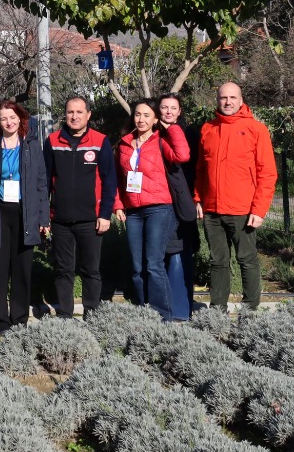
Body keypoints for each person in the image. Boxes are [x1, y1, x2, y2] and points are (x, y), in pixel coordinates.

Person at [194, 81, 278, 313]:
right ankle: (217, 312)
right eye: (223, 98)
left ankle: (249, 311)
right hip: (212, 210)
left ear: (241, 100)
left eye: (232, 98)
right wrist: (198, 198)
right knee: (217, 261)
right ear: (217, 100)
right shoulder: (208, 129)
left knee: (247, 260)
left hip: (243, 210)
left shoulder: (256, 129)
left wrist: (259, 210)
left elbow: (267, 173)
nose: (228, 102)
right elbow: (201, 169)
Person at [0, 100, 47, 335]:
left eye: (12, 117)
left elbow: (41, 183)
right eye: (4, 118)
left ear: (20, 118)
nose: (9, 122)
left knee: (22, 270)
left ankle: (20, 320)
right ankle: (0, 321)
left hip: (25, 214)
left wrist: (43, 218)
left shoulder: (32, 145)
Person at [111, 99, 191, 322]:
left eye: (147, 115)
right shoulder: (125, 144)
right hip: (133, 212)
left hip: (159, 208)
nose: (141, 119)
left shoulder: (161, 141)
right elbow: (117, 178)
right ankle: (144, 310)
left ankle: (162, 315)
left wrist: (171, 128)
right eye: (138, 114)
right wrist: (118, 204)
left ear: (155, 119)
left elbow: (182, 155)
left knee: (154, 264)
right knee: (137, 266)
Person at [43, 95, 116, 319]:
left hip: (91, 219)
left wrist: (105, 214)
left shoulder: (100, 141)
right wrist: (44, 216)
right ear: (65, 115)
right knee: (63, 269)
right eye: (70, 112)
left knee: (90, 270)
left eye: (79, 112)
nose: (74, 117)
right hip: (60, 219)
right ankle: (65, 315)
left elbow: (109, 181)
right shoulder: (52, 141)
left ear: (88, 115)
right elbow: (44, 181)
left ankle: (91, 314)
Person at [159, 93, 201, 317]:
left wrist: (195, 197)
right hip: (158, 199)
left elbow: (193, 164)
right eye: (164, 107)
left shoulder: (189, 133)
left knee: (180, 248)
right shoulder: (152, 133)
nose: (168, 111)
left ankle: (180, 307)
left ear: (179, 111)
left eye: (173, 108)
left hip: (182, 201)